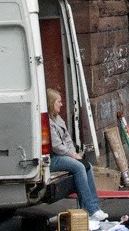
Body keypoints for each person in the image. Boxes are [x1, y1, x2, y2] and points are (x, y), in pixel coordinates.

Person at [46, 89, 108, 221]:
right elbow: (56, 146)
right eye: (59, 102)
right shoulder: (47, 122)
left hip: (64, 155)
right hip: (53, 158)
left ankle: (94, 207)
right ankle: (92, 210)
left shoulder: (58, 118)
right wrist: (71, 155)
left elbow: (67, 138)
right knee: (79, 167)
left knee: (87, 166)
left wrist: (73, 152)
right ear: (51, 103)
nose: (61, 104)